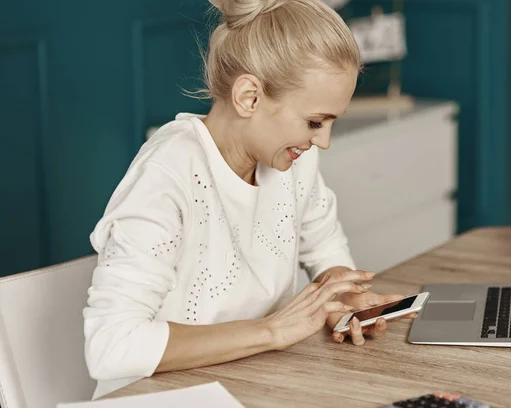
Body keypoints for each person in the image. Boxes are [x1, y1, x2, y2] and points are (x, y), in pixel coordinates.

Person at [83, 0, 408, 399]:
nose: (322, 142)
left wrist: (343, 300)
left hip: (258, 388)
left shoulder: (291, 162)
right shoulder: (168, 174)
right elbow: (112, 346)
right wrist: (273, 331)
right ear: (249, 97)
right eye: (313, 123)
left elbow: (324, 246)